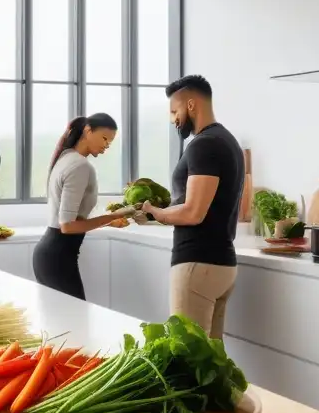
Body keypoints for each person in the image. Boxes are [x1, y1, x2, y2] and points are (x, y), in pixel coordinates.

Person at [142, 75, 244, 340]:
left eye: (174, 111)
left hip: (198, 265)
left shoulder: (204, 145)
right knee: (210, 362)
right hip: (221, 264)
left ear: (191, 104)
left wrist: (157, 213)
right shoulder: (228, 141)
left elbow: (193, 212)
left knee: (185, 357)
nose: (173, 119)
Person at [33, 114, 135, 300]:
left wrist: (108, 223)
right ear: (87, 130)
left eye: (110, 142)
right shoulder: (80, 165)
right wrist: (113, 216)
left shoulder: (65, 157)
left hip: (51, 254)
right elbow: (67, 226)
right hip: (58, 258)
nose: (106, 145)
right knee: (74, 323)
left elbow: (70, 220)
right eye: (104, 138)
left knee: (61, 323)